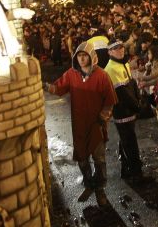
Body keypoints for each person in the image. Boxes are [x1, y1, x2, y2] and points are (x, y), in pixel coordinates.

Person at [48, 41, 117, 207]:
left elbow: (109, 101)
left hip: (96, 125)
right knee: (82, 158)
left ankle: (100, 189)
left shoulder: (101, 76)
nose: (81, 59)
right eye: (79, 56)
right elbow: (57, 88)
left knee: (99, 159)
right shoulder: (71, 74)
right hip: (79, 125)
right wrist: (40, 85)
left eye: (84, 56)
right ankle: (88, 184)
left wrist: (103, 116)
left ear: (91, 57)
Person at [104, 39, 151, 184]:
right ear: (110, 52)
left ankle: (126, 169)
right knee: (130, 142)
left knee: (126, 140)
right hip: (123, 111)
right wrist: (138, 107)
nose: (121, 50)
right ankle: (136, 174)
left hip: (129, 109)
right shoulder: (111, 68)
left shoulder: (122, 62)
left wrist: (138, 99)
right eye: (116, 49)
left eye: (121, 48)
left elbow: (131, 83)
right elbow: (122, 93)